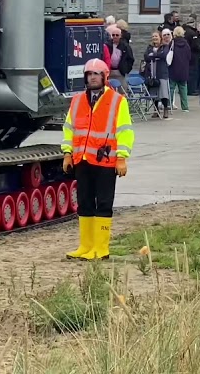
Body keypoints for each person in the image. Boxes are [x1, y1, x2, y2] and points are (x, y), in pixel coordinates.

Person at [61, 58, 134, 261]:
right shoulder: (77, 101)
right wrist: (67, 153)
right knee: (84, 202)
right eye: (89, 74)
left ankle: (101, 249)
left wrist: (122, 158)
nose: (92, 78)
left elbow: (125, 131)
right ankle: (86, 246)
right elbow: (69, 129)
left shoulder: (118, 101)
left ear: (105, 76)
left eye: (96, 74)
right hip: (82, 160)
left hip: (106, 162)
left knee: (103, 203)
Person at [169, 27, 194, 112]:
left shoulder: (172, 44)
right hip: (184, 69)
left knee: (171, 88)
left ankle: (170, 104)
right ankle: (185, 107)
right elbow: (189, 57)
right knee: (183, 88)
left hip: (173, 69)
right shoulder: (186, 44)